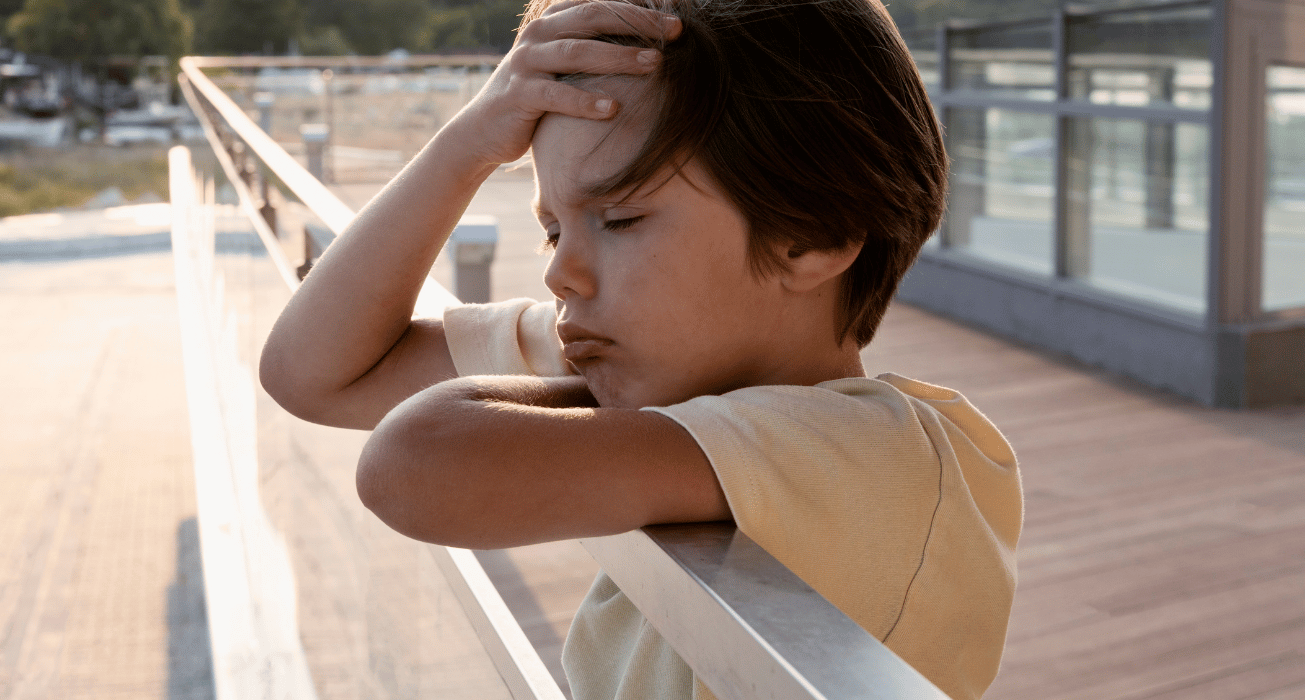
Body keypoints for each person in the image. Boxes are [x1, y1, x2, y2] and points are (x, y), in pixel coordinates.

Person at [259, 1, 1023, 699]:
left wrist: (595, 388)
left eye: (621, 218)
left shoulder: (886, 456)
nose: (562, 271)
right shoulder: (654, 359)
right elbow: (312, 373)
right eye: (554, 228)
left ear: (812, 233)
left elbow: (411, 463)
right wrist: (468, 142)